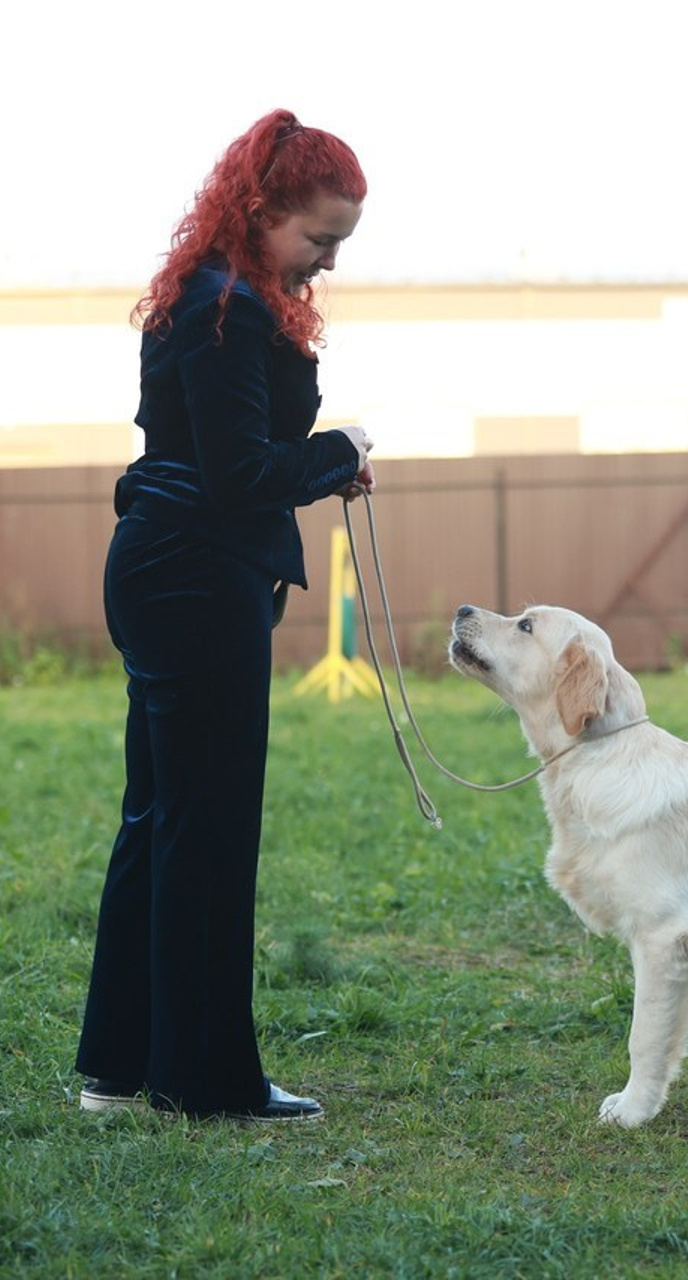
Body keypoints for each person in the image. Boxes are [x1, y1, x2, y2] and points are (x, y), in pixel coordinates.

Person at [75, 109, 374, 1122]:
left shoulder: (206, 296)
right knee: (205, 827)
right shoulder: (228, 310)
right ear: (261, 209)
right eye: (319, 237)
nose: (329, 260)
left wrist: (320, 464)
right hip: (196, 578)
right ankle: (202, 1082)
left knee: (161, 820)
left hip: (169, 568)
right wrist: (342, 450)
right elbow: (243, 474)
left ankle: (121, 1072)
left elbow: (215, 457)